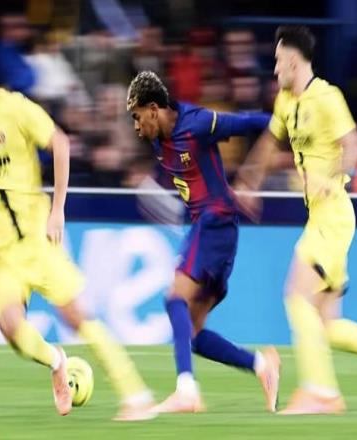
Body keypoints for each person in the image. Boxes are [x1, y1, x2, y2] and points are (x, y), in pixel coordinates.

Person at [0, 33, 155, 421]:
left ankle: (136, 395)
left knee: (76, 316)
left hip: (38, 242)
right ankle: (57, 361)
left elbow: (60, 143)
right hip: (5, 254)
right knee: (11, 329)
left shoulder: (17, 108)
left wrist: (57, 209)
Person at [236, 26, 357, 414]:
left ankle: (321, 392)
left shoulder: (328, 97)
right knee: (325, 324)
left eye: (278, 61)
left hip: (332, 214)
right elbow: (269, 142)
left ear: (293, 61)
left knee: (296, 296)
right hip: (321, 217)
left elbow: (353, 148)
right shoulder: (286, 101)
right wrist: (249, 180)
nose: (274, 69)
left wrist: (330, 178)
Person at [126, 70, 280, 414]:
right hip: (213, 230)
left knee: (174, 300)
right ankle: (262, 366)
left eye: (137, 117)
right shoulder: (158, 141)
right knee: (192, 334)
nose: (136, 126)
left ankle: (186, 391)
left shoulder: (198, 123)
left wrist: (253, 177)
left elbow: (257, 123)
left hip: (216, 221)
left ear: (154, 109)